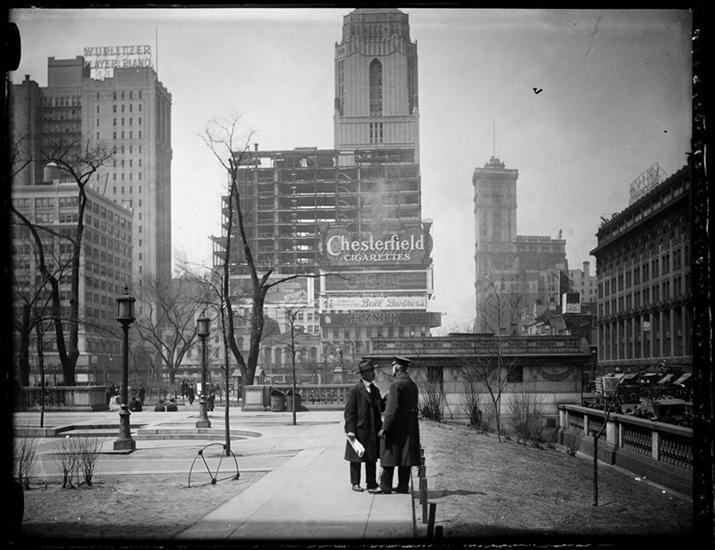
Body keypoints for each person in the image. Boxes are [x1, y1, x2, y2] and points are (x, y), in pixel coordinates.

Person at [378, 355, 421, 494]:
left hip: (396, 427)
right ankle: (403, 486)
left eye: (392, 366)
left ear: (396, 367)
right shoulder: (412, 384)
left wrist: (385, 428)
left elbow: (392, 409)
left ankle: (385, 487)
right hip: (409, 427)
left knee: (388, 455)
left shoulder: (396, 384)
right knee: (405, 456)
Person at [344, 359, 384, 493]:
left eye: (373, 371)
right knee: (356, 458)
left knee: (371, 458)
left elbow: (380, 407)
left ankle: (371, 482)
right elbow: (349, 412)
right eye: (371, 371)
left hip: (372, 429)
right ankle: (355, 483)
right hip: (359, 430)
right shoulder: (355, 390)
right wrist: (350, 430)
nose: (373, 373)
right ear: (364, 374)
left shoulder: (375, 389)